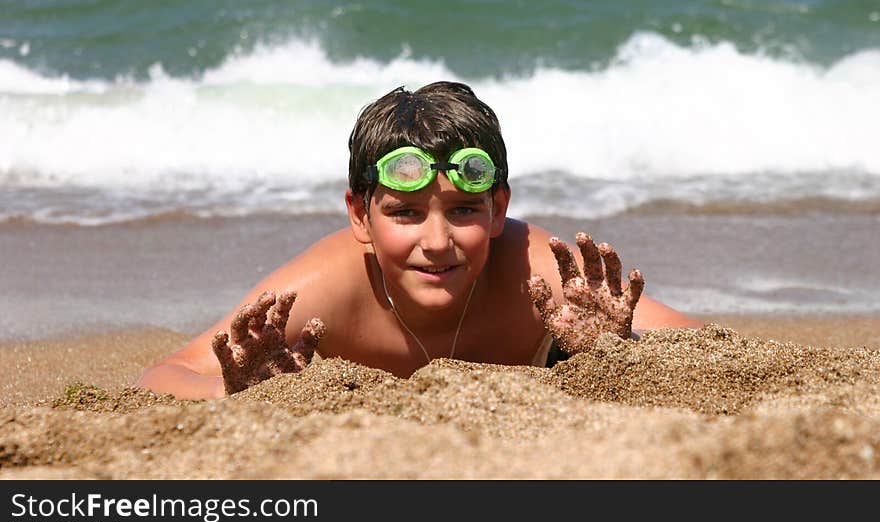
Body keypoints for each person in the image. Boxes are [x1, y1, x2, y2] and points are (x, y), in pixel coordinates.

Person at [136, 81, 702, 400]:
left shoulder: (537, 273)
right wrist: (240, 393)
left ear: (498, 208)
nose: (436, 241)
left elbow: (706, 345)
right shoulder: (326, 290)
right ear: (361, 216)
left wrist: (616, 349)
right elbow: (160, 377)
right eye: (404, 213)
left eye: (463, 211)